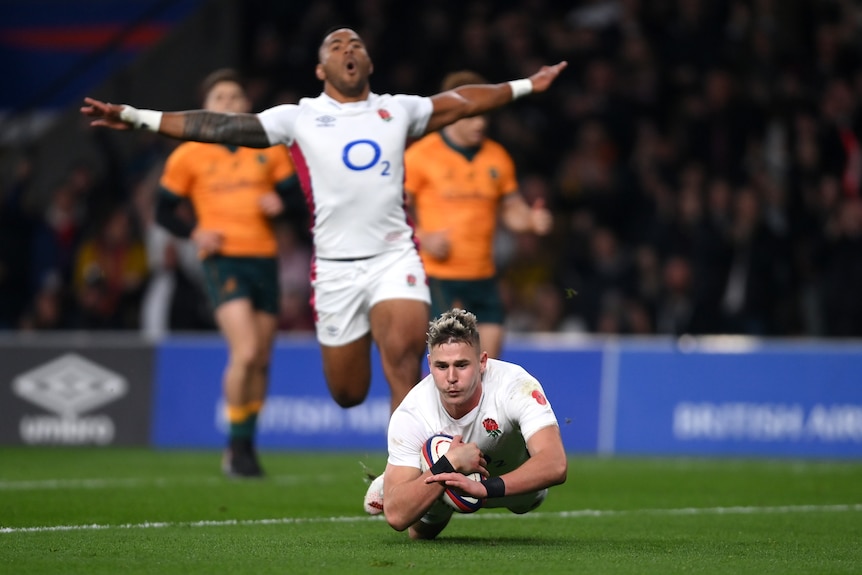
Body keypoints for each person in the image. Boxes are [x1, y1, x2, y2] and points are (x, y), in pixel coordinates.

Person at [80, 27, 568, 417]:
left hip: (394, 257)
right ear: (321, 68)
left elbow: (464, 101)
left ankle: (416, 476)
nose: (347, 48)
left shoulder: (397, 110)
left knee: (402, 362)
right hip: (334, 269)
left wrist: (527, 85)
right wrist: (137, 116)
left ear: (368, 63)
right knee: (348, 393)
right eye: (336, 45)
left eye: (356, 43)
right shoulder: (300, 118)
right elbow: (221, 124)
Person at [153, 68, 298, 477]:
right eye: (220, 98)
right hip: (223, 259)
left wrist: (280, 204)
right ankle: (235, 446)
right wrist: (195, 230)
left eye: (236, 97)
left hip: (263, 259)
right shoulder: (188, 153)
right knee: (247, 350)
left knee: (263, 359)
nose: (230, 104)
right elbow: (163, 210)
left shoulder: (268, 149)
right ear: (206, 107)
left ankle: (246, 444)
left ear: (248, 106)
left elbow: (297, 200)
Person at [365, 308, 567, 540]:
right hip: (449, 484)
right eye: (442, 366)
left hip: (516, 490)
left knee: (526, 503)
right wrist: (448, 464)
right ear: (430, 364)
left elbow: (555, 464)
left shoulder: (515, 385)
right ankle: (424, 471)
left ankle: (419, 471)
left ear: (482, 362)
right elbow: (397, 516)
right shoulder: (412, 412)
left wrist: (483, 488)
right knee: (421, 533)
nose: (451, 377)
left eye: (461, 365)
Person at [404, 70, 553, 358]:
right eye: (473, 115)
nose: (481, 123)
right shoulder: (421, 156)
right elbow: (394, 211)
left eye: (485, 114)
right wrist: (422, 236)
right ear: (453, 112)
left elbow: (511, 210)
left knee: (488, 366)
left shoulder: (497, 157)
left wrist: (531, 221)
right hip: (439, 277)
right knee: (452, 368)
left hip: (484, 275)